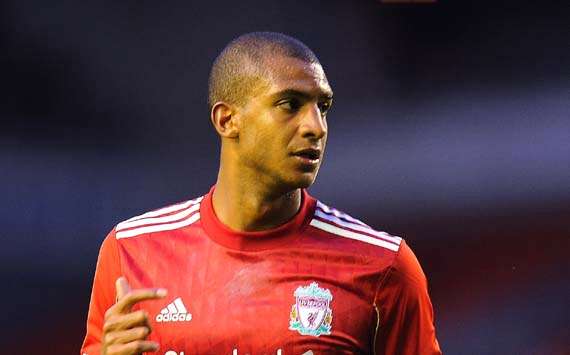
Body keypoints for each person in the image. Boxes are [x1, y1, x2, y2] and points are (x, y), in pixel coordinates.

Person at [81, 32, 442, 355]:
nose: (316, 127)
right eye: (290, 105)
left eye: (323, 107)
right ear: (227, 120)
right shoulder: (131, 249)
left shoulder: (382, 267)